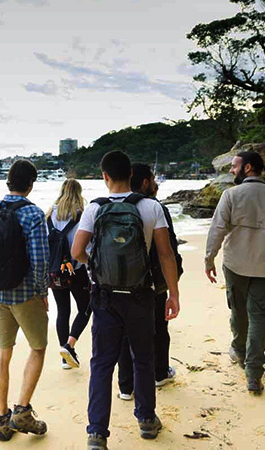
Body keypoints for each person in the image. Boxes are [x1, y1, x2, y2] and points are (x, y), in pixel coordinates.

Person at [71, 151, 180, 450]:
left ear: (104, 176)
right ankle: (146, 420)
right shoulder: (150, 207)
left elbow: (76, 251)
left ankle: (97, 434)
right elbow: (165, 253)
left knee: (102, 364)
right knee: (143, 358)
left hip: (105, 297)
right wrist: (173, 293)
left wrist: (95, 265)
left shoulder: (94, 209)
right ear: (131, 173)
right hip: (140, 296)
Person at [205, 151, 265, 395]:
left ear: (248, 168)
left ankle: (239, 351)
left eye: (234, 166)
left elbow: (217, 229)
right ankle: (254, 373)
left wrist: (209, 258)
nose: (231, 170)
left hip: (235, 265)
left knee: (238, 311)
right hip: (264, 266)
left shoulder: (231, 195)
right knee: (259, 317)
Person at [0, 159, 50, 441]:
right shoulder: (33, 214)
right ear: (30, 185)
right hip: (24, 294)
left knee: (3, 351)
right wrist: (43, 293)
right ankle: (22, 412)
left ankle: (2, 419)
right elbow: (40, 261)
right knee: (38, 348)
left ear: (8, 181)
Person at [117, 164, 183, 401]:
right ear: (145, 182)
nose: (155, 183)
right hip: (152, 282)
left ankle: (126, 386)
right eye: (153, 179)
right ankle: (159, 373)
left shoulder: (114, 206)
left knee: (124, 333)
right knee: (158, 329)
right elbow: (168, 251)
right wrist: (173, 283)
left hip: (120, 281)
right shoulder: (155, 208)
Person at [45, 178, 91, 370]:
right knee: (87, 307)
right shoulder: (82, 215)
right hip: (76, 270)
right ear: (79, 193)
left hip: (55, 272)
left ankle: (65, 359)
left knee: (63, 311)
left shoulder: (49, 215)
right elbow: (87, 245)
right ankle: (69, 345)